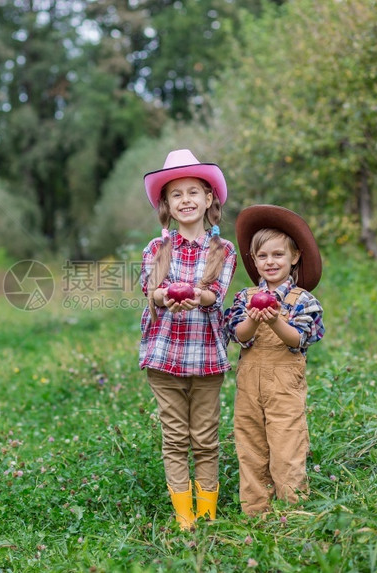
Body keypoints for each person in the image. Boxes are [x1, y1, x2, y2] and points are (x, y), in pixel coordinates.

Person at [138, 149, 237, 530]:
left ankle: (207, 511)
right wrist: (166, 296)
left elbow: (215, 294)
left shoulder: (223, 250)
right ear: (166, 203)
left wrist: (196, 296)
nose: (185, 201)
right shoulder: (156, 248)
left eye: (193, 192)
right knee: (176, 436)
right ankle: (185, 516)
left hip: (206, 359)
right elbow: (152, 291)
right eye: (176, 194)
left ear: (209, 198)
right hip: (163, 358)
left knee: (206, 438)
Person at [224, 204, 325, 516]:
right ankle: (256, 512)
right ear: (254, 261)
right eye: (263, 256)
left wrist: (275, 320)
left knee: (287, 449)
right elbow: (240, 335)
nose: (270, 262)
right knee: (250, 447)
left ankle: (293, 511)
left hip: (284, 391)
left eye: (278, 255)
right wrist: (255, 319)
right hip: (249, 390)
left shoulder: (303, 301)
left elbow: (298, 339)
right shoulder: (244, 298)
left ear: (294, 257)